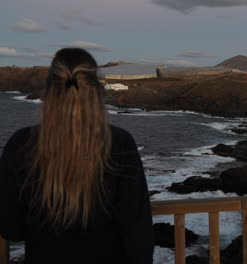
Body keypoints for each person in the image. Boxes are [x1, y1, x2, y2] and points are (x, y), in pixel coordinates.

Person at [0, 48, 154, 264]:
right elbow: (137, 231)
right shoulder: (120, 143)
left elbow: (11, 228)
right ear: (97, 90)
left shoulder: (20, 144)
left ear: (49, 90)